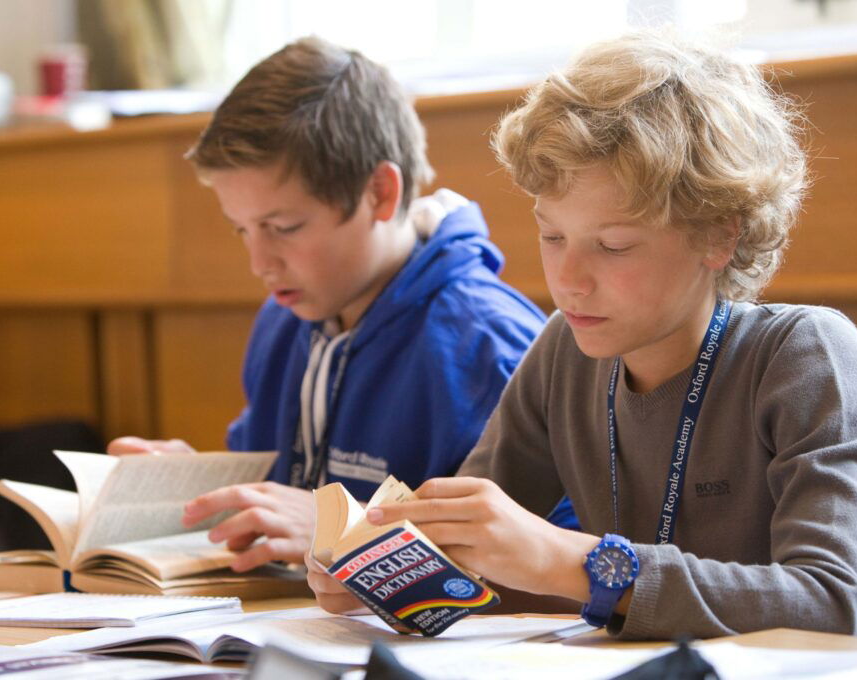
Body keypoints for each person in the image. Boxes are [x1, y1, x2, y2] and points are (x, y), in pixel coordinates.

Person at [306, 30, 857, 640]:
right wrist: (384, 570)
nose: (569, 282)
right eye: (552, 236)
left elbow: (837, 606)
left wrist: (571, 562)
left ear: (721, 236)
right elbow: (480, 561)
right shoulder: (564, 350)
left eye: (613, 245)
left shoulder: (807, 356)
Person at [109, 37, 576, 571]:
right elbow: (283, 501)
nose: (260, 263)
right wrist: (203, 492)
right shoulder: (286, 320)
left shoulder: (486, 343)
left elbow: (550, 566)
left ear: (379, 192)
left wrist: (346, 530)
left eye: (283, 228)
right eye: (241, 229)